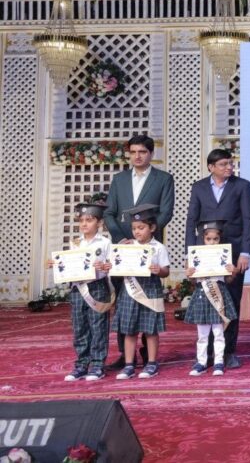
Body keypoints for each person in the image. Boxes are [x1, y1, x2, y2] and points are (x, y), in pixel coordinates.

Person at [102, 133, 174, 371]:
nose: (137, 156)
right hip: (123, 249)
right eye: (133, 152)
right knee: (124, 303)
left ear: (151, 153)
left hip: (148, 250)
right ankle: (127, 356)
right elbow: (109, 212)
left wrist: (146, 235)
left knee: (147, 301)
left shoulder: (163, 179)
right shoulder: (119, 179)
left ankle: (148, 354)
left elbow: (166, 212)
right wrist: (121, 238)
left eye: (142, 152)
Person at [184, 149, 250, 369]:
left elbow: (248, 219)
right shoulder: (199, 187)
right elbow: (191, 220)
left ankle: (228, 351)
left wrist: (245, 252)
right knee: (207, 301)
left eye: (230, 163)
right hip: (205, 253)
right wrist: (189, 255)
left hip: (232, 252)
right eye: (223, 164)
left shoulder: (242, 185)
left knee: (231, 301)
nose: (229, 167)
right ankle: (206, 354)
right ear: (211, 167)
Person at [47, 202, 113, 382]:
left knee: (98, 326)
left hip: (97, 287)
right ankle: (81, 364)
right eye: (81, 220)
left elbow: (112, 265)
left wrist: (106, 266)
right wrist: (57, 264)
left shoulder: (105, 243)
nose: (84, 224)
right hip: (78, 289)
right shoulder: (75, 243)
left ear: (99, 223)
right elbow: (71, 265)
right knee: (79, 327)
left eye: (89, 220)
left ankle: (97, 365)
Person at [114, 204, 170, 379]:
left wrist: (158, 270)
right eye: (134, 228)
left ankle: (151, 363)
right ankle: (129, 364)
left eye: (141, 227)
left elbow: (166, 271)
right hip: (130, 291)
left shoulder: (159, 248)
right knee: (129, 329)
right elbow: (117, 267)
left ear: (151, 228)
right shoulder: (128, 246)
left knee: (150, 329)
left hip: (150, 288)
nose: (137, 232)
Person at [184, 219, 237, 376]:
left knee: (219, 332)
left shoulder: (224, 255)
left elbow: (229, 280)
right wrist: (189, 274)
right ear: (203, 239)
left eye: (215, 239)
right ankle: (201, 362)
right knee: (202, 334)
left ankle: (218, 361)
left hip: (219, 293)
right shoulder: (196, 255)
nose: (212, 242)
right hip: (202, 294)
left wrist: (232, 271)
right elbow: (193, 281)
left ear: (220, 239)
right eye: (208, 239)